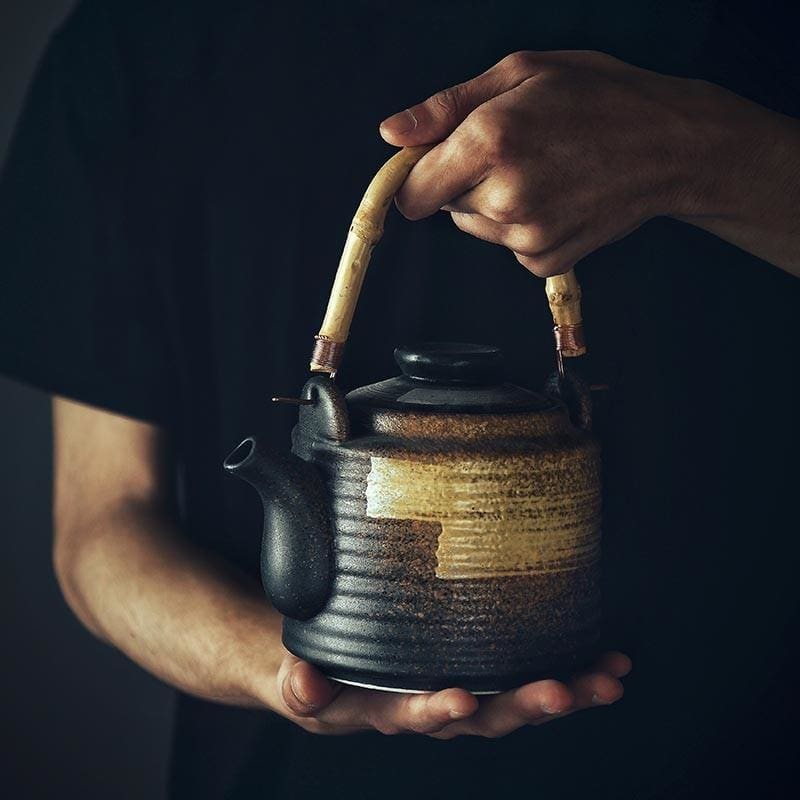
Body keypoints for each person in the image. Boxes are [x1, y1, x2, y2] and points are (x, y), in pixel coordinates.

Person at [1, 1, 798, 798]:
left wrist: (699, 152)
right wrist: (285, 674)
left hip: (723, 755)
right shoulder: (133, 43)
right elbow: (102, 530)